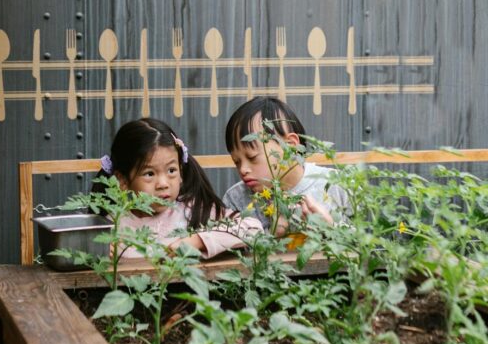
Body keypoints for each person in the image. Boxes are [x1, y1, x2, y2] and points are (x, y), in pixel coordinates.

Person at [98, 118, 262, 259]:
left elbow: (253, 228)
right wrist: (98, 251)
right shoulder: (111, 225)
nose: (163, 183)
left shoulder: (193, 211)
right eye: (149, 174)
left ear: (181, 172)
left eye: (171, 171)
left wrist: (196, 241)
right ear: (123, 181)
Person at [222, 97, 347, 234]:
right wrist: (275, 233)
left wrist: (330, 229)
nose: (243, 169)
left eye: (252, 157)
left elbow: (364, 247)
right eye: (236, 161)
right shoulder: (236, 199)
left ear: (290, 146)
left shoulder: (336, 185)